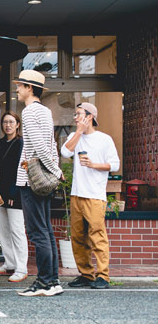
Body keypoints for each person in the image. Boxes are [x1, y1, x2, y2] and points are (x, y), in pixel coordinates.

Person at [13, 70, 64, 297]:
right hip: (44, 179)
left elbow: (39, 145)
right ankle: (52, 281)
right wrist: (55, 169)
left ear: (29, 88)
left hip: (31, 179)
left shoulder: (30, 111)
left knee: (36, 232)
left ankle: (44, 282)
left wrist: (56, 169)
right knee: (46, 231)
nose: (17, 90)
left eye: (20, 86)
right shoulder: (45, 111)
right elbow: (51, 145)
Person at [61, 103, 120, 290]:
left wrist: (94, 165)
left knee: (97, 236)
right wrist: (78, 132)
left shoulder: (104, 139)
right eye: (75, 114)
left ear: (90, 117)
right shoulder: (74, 136)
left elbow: (115, 165)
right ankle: (86, 274)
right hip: (76, 194)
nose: (76, 117)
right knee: (78, 237)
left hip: (95, 195)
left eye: (79, 114)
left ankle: (103, 276)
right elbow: (64, 152)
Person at [0, 111, 28, 283]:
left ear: (17, 124)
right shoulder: (1, 143)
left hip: (15, 192)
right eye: (5, 122)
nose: (8, 125)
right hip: (0, 190)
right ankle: (9, 263)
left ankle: (21, 267)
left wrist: (13, 193)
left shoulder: (21, 143)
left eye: (11, 122)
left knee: (17, 230)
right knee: (3, 229)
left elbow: (21, 170)